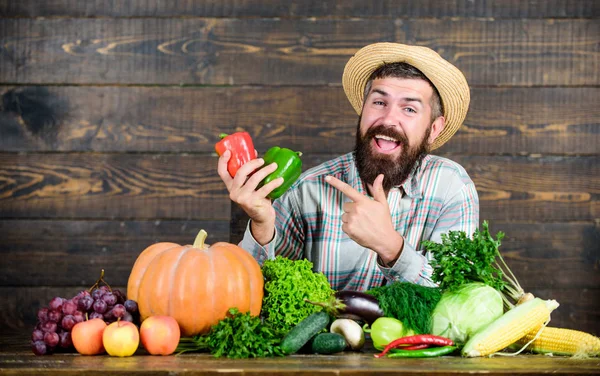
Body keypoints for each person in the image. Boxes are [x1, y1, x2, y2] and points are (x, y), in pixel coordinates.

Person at [217, 42, 479, 291]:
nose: (389, 119)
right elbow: (256, 294)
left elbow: (457, 298)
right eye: (379, 102)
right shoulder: (306, 191)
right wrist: (261, 225)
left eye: (409, 109)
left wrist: (391, 247)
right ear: (363, 110)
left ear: (433, 129)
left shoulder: (451, 188)